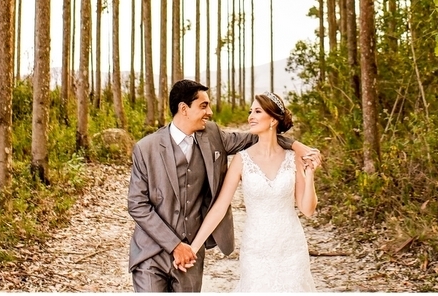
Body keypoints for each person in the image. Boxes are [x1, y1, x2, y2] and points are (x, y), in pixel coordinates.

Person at [127, 80, 320, 292]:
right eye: (204, 106)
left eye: (257, 111)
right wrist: (176, 245)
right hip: (151, 252)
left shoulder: (212, 135)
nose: (210, 112)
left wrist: (298, 147)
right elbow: (137, 205)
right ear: (184, 109)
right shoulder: (146, 148)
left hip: (193, 253)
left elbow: (259, 139)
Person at [184, 92, 319, 292]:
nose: (250, 117)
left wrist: (310, 175)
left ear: (273, 119)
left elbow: (307, 209)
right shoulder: (242, 159)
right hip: (256, 249)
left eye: (257, 111)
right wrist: (194, 247)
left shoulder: (293, 158)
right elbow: (219, 207)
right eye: (250, 111)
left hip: (291, 248)